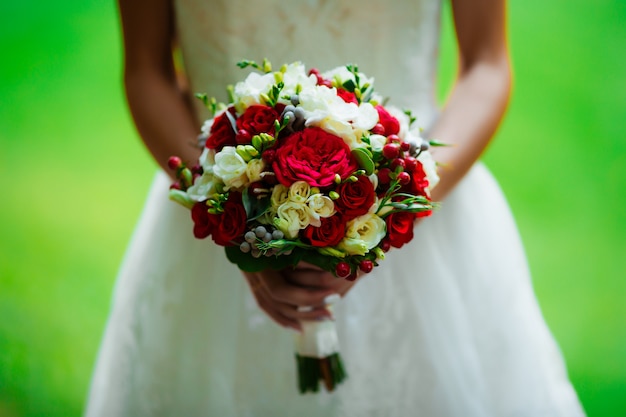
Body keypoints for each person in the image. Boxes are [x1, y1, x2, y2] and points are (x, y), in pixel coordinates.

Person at [85, 0, 586, 415]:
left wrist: (390, 209)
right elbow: (146, 71)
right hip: (216, 221)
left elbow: (487, 65)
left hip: (423, 221)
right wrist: (231, 214)